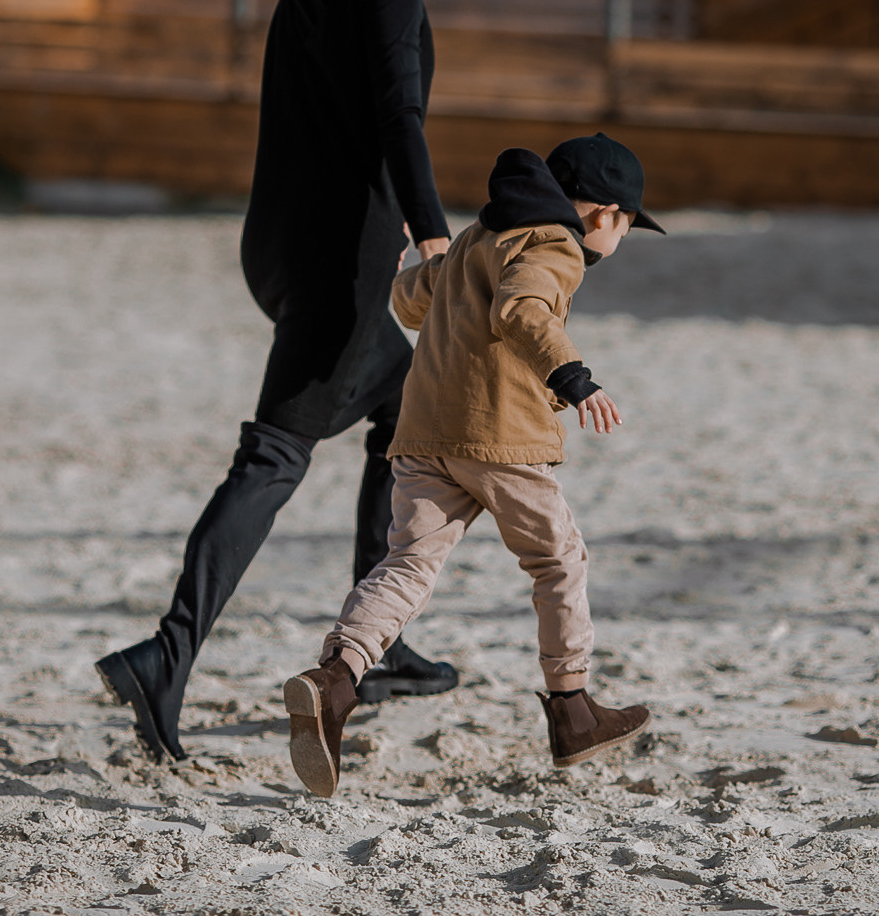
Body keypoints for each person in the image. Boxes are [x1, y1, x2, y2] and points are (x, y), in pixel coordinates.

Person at [97, 0, 465, 763]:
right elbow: (399, 121)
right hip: (341, 265)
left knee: (401, 403)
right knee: (274, 457)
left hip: (281, 247)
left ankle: (372, 642)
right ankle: (164, 657)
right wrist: (433, 236)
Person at [282, 134, 665, 798]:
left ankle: (337, 678)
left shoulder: (475, 236)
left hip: (424, 430)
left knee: (407, 563)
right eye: (629, 224)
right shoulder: (555, 244)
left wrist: (404, 266)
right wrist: (574, 377)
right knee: (558, 560)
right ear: (605, 213)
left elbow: (408, 300)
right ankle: (572, 710)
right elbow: (522, 308)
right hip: (500, 435)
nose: (621, 236)